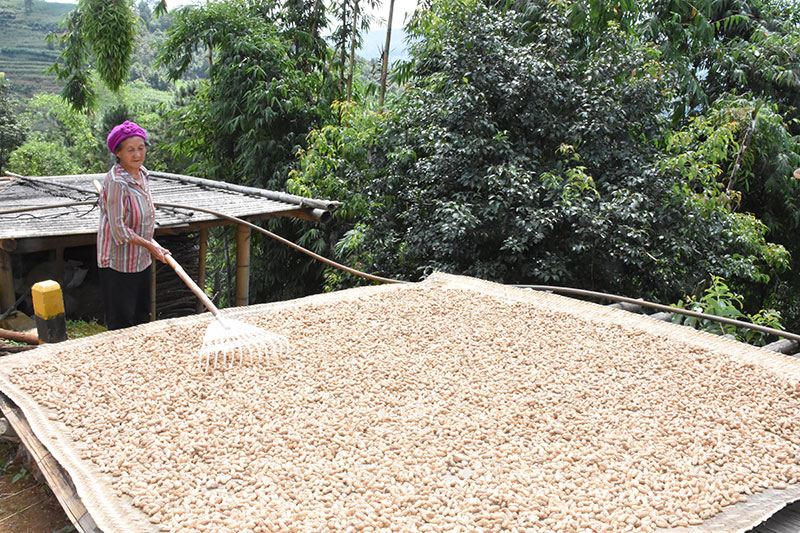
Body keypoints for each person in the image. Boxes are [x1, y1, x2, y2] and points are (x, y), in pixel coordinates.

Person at [97, 120, 170, 330]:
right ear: (118, 153)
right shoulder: (116, 182)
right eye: (130, 150)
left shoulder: (143, 174)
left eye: (141, 148)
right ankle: (119, 360)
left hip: (140, 260)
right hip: (118, 263)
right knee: (121, 322)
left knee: (141, 316)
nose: (137, 154)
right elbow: (119, 231)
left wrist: (150, 245)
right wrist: (150, 245)